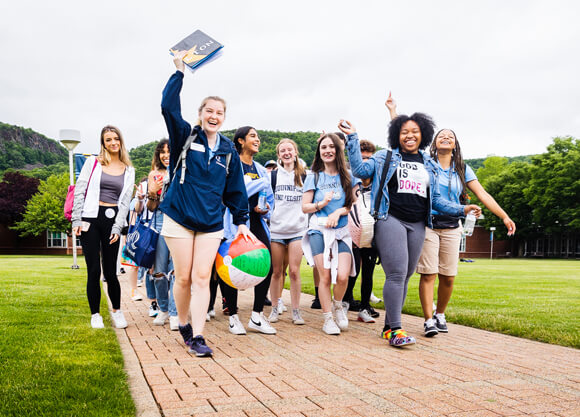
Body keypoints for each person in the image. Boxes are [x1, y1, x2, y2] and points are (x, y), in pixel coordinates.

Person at [340, 116, 481, 347]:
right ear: (397, 134)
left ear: (423, 135)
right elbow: (359, 169)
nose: (410, 135)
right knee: (396, 274)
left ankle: (388, 325)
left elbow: (435, 199)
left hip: (417, 223)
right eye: (404, 131)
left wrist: (462, 208)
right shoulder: (384, 156)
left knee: (405, 276)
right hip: (390, 218)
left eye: (415, 131)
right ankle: (396, 329)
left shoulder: (429, 164)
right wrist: (352, 137)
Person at [385, 95, 516, 337]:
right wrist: (393, 111)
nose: (446, 137)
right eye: (441, 135)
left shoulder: (462, 169)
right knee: (429, 273)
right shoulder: (425, 161)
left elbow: (483, 194)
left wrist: (504, 216)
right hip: (428, 223)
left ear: (455, 144)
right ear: (433, 142)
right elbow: (402, 139)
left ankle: (440, 313)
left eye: (451, 136)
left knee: (448, 276)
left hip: (452, 225)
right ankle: (428, 320)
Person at [159, 51, 251, 357]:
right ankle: (183, 322)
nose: (214, 116)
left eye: (219, 112)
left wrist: (241, 223)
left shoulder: (228, 151)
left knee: (202, 277)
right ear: (201, 113)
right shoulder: (185, 136)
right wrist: (179, 73)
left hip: (211, 223)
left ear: (224, 117)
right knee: (183, 277)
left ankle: (197, 336)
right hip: (180, 218)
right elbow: (168, 108)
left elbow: (236, 191)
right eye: (209, 110)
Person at [72, 125, 135, 329]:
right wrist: (76, 220)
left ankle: (117, 311)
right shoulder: (93, 162)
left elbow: (125, 202)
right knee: (93, 269)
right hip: (90, 218)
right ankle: (95, 314)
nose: (113, 142)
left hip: (112, 220)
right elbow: (80, 190)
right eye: (108, 140)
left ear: (121, 141)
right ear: (103, 143)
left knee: (110, 271)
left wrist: (118, 227)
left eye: (116, 138)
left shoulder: (129, 169)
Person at [302, 133, 360, 335]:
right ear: (319, 151)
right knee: (325, 275)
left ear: (338, 149)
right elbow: (305, 207)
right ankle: (328, 318)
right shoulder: (314, 176)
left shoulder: (349, 177)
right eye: (323, 147)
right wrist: (322, 204)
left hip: (342, 231)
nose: (327, 150)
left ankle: (338, 305)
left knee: (343, 276)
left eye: (331, 147)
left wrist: (337, 211)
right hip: (318, 229)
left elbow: (353, 204)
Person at [221, 126, 276, 335]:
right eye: (253, 136)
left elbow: (269, 198)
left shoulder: (261, 169)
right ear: (241, 141)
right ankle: (234, 317)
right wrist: (258, 184)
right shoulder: (231, 165)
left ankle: (256, 316)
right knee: (233, 268)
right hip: (234, 223)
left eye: (258, 136)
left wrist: (265, 209)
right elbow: (231, 194)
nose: (258, 139)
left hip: (257, 221)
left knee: (267, 267)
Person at [268, 139, 308, 325]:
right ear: (278, 155)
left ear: (295, 152)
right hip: (276, 230)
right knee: (277, 272)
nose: (286, 152)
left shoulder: (305, 176)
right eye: (282, 150)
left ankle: (296, 311)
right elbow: (265, 198)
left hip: (297, 230)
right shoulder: (273, 176)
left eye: (289, 149)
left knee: (294, 271)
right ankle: (275, 308)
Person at [136, 139, 173, 327]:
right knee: (158, 272)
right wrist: (152, 193)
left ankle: (174, 313)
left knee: (176, 271)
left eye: (169, 151)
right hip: (159, 222)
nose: (166, 155)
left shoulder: (182, 172)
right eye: (162, 152)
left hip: (179, 224)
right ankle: (163, 309)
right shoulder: (154, 174)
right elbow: (150, 207)